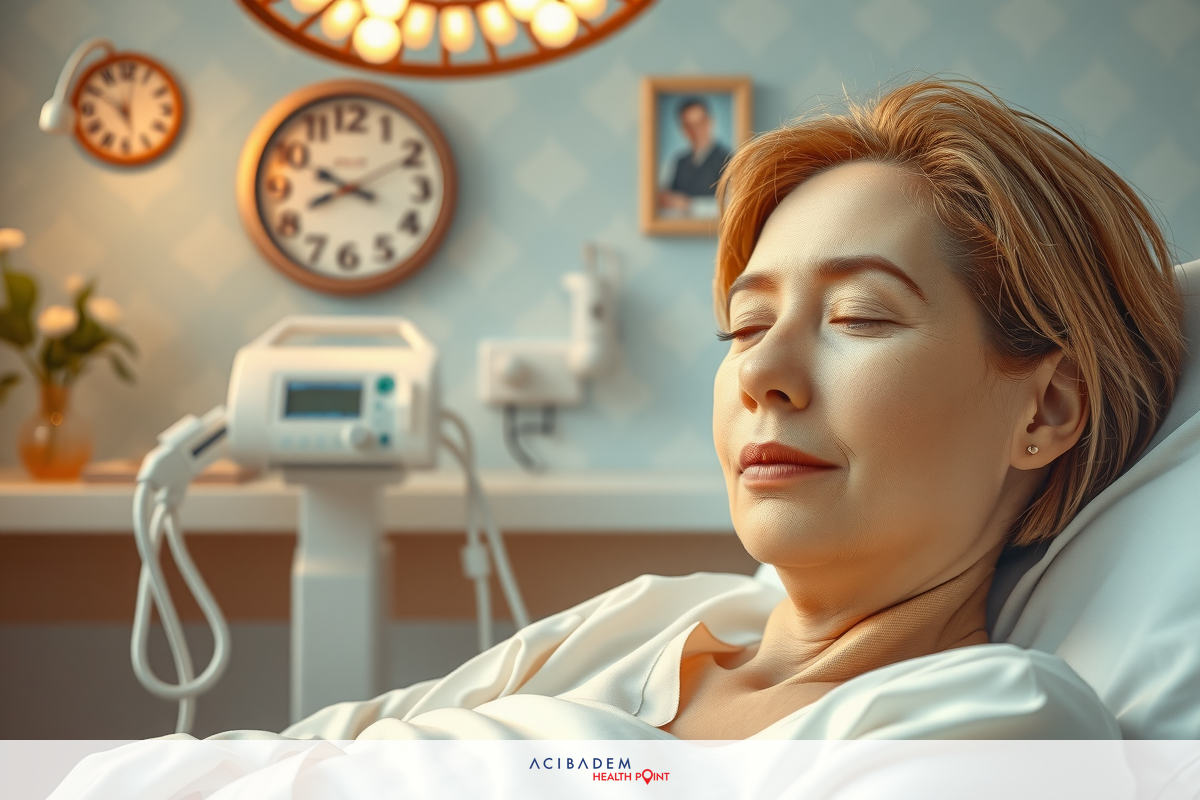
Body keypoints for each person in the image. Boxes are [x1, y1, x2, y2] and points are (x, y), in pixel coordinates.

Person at [49, 80, 1187, 800]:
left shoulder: (998, 727)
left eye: (858, 317)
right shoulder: (647, 621)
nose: (763, 371)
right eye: (744, 323)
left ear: (1044, 410)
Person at [658, 96, 731, 216]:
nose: (696, 131)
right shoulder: (680, 162)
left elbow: (731, 204)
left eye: (700, 123)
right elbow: (669, 196)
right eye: (689, 125)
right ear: (683, 129)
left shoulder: (727, 160)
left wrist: (689, 205)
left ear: (710, 121)